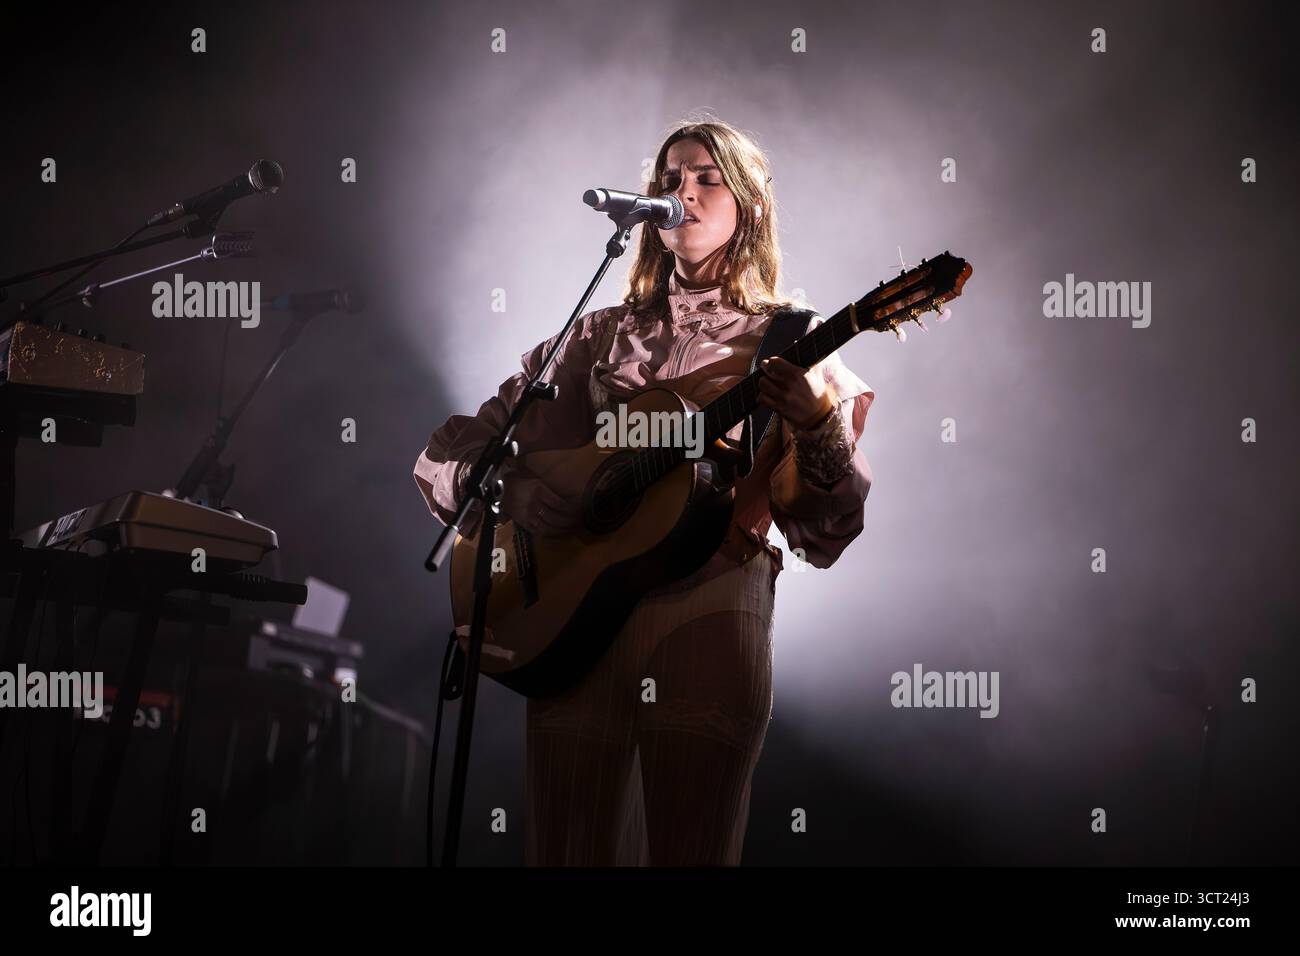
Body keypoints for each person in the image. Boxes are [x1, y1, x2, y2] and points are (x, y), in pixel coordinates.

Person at [414, 117, 875, 866]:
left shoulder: (793, 341)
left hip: (712, 605)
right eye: (669, 179)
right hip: (574, 612)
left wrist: (819, 425)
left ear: (750, 204)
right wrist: (515, 490)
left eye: (705, 178)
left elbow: (829, 528)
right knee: (566, 849)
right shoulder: (597, 337)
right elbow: (460, 444)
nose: (682, 193)